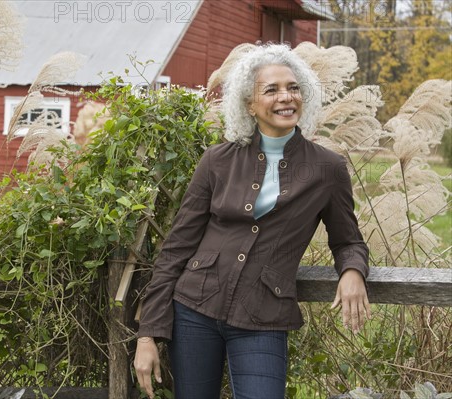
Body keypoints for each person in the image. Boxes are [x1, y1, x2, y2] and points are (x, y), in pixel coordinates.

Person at [133, 43, 371, 399]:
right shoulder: (218, 160)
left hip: (264, 315)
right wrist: (148, 334)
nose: (285, 97)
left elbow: (348, 240)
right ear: (249, 104)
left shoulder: (327, 168)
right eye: (271, 90)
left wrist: (352, 272)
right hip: (194, 309)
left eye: (292, 87)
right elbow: (176, 248)